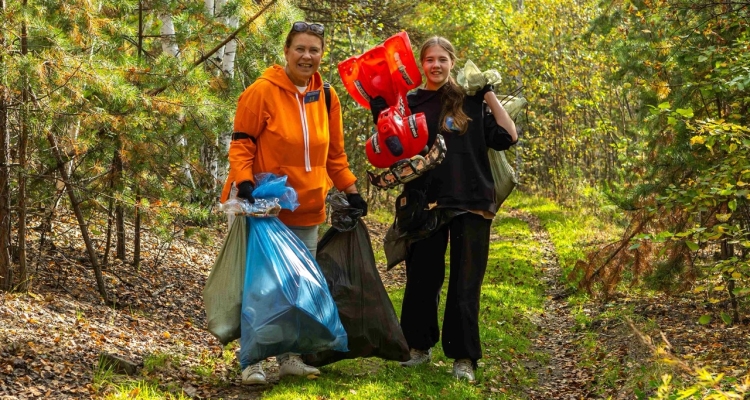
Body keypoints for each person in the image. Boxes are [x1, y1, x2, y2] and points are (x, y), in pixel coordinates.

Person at [220, 21, 368, 386]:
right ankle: (251, 362)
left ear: (322, 55)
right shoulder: (261, 92)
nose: (307, 56)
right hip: (265, 207)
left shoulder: (328, 97)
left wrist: (351, 190)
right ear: (286, 51)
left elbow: (335, 156)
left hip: (309, 208)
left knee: (299, 285)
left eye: (314, 50)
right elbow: (241, 143)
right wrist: (244, 181)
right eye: (300, 48)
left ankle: (289, 356)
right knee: (260, 286)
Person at [370, 36, 518, 381]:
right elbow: (393, 149)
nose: (435, 65)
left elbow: (508, 136)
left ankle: (463, 358)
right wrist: (382, 115)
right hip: (425, 202)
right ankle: (417, 347)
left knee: (466, 282)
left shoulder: (471, 100)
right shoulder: (411, 101)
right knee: (422, 278)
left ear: (453, 62)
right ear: (421, 65)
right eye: (429, 60)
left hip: (472, 201)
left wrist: (488, 93)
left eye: (442, 59)